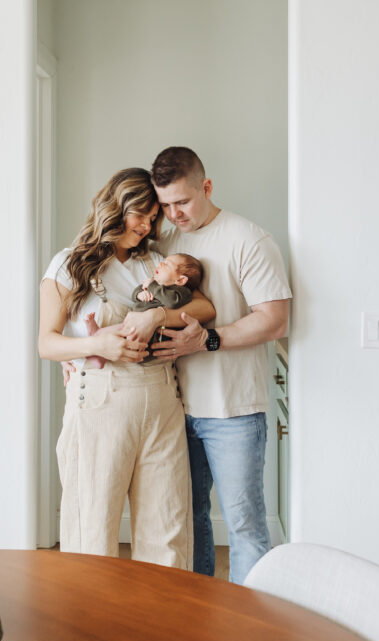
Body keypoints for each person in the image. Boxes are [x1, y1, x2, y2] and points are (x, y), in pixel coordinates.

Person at [119, 147, 291, 584]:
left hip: (233, 409)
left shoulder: (249, 240)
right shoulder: (162, 244)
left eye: (183, 202)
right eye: (166, 205)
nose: (173, 214)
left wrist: (208, 339)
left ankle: (250, 634)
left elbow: (274, 320)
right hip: (173, 409)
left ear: (207, 187)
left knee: (244, 528)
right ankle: (198, 626)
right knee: (189, 522)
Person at [38, 167, 215, 568]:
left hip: (162, 403)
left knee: (167, 533)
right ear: (116, 207)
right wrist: (95, 344)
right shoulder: (69, 265)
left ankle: (160, 630)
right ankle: (90, 630)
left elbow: (205, 308)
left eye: (153, 218)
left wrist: (157, 318)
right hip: (100, 401)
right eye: (141, 214)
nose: (147, 225)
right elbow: (46, 342)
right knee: (92, 532)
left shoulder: (155, 262)